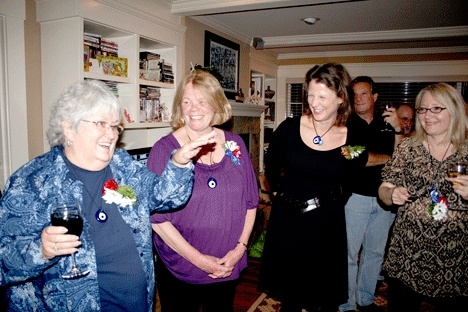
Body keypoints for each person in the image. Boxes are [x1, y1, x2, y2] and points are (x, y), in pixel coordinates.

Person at [0, 79, 215, 311]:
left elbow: (164, 197)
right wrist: (40, 250)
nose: (111, 134)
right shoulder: (32, 181)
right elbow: (4, 263)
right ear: (68, 128)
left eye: (114, 126)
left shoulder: (123, 165)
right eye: (101, 123)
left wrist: (179, 163)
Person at [258, 63, 368, 312]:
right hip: (288, 219)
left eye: (322, 97)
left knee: (324, 296)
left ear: (341, 98)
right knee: (290, 295)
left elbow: (353, 176)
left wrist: (331, 202)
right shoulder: (288, 128)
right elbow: (272, 168)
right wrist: (280, 195)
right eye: (310, 95)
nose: (314, 102)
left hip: (326, 222)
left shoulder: (354, 135)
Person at [147, 69, 258, 312]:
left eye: (201, 101)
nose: (193, 108)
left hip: (228, 264)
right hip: (181, 268)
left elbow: (251, 201)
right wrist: (199, 260)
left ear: (216, 104)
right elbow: (156, 219)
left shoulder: (234, 144)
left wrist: (240, 248)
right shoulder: (163, 151)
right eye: (186, 101)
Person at [378, 82, 468, 311]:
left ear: (454, 109)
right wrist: (391, 194)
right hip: (407, 253)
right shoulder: (407, 148)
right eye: (423, 109)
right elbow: (384, 189)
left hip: (456, 257)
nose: (428, 115)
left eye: (436, 108)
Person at [339, 76, 404, 312]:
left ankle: (365, 300)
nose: (358, 99)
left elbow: (402, 157)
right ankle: (346, 304)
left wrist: (398, 129)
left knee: (375, 253)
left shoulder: (388, 124)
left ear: (375, 97)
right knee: (348, 254)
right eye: (354, 94)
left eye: (364, 93)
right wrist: (386, 158)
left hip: (385, 200)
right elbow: (349, 156)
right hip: (354, 198)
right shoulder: (345, 123)